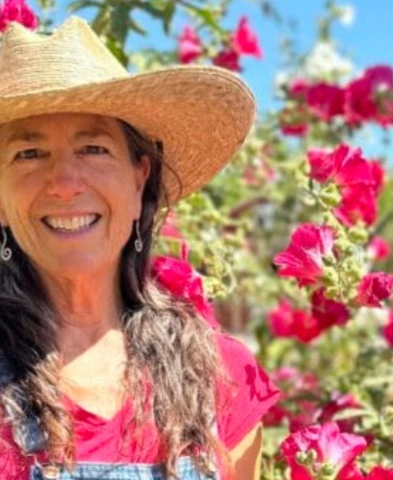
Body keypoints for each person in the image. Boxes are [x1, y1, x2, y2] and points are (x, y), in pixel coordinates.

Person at [0, 15, 280, 480]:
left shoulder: (222, 380)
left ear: (139, 179)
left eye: (94, 148)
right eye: (28, 154)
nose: (65, 183)